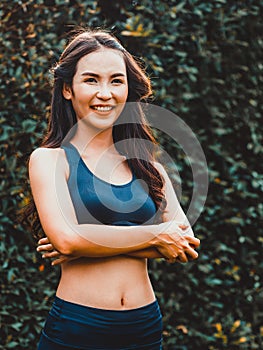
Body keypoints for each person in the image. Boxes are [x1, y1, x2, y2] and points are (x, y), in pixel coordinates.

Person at [27, 28, 200, 350]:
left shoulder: (151, 169)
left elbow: (184, 243)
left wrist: (85, 241)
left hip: (145, 325)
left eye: (116, 81)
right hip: (79, 325)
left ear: (127, 90)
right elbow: (65, 239)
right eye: (91, 80)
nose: (105, 93)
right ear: (68, 89)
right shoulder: (50, 160)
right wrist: (155, 236)